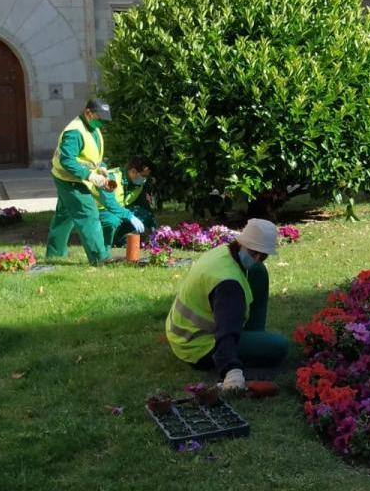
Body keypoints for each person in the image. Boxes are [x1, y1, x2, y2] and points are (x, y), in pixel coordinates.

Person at [165, 219, 290, 392]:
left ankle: (253, 335)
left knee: (258, 272)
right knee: (280, 345)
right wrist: (232, 371)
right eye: (254, 253)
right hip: (199, 347)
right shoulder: (228, 284)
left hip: (183, 332)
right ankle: (249, 346)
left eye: (262, 255)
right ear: (242, 244)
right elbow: (226, 330)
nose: (257, 258)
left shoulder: (223, 251)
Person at [46, 99, 113, 265]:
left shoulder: (92, 127)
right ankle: (100, 258)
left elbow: (90, 156)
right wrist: (90, 176)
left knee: (64, 215)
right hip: (69, 180)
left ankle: (54, 255)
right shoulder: (74, 132)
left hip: (73, 177)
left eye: (104, 120)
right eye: (99, 118)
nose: (102, 122)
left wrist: (101, 168)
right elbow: (67, 161)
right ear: (88, 112)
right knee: (88, 214)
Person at [88, 164, 145, 248]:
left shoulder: (137, 185)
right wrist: (129, 215)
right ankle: (104, 247)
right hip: (99, 209)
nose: (144, 179)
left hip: (116, 210)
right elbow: (109, 203)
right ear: (133, 171)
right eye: (143, 176)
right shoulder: (112, 177)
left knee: (143, 216)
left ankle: (118, 241)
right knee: (112, 220)